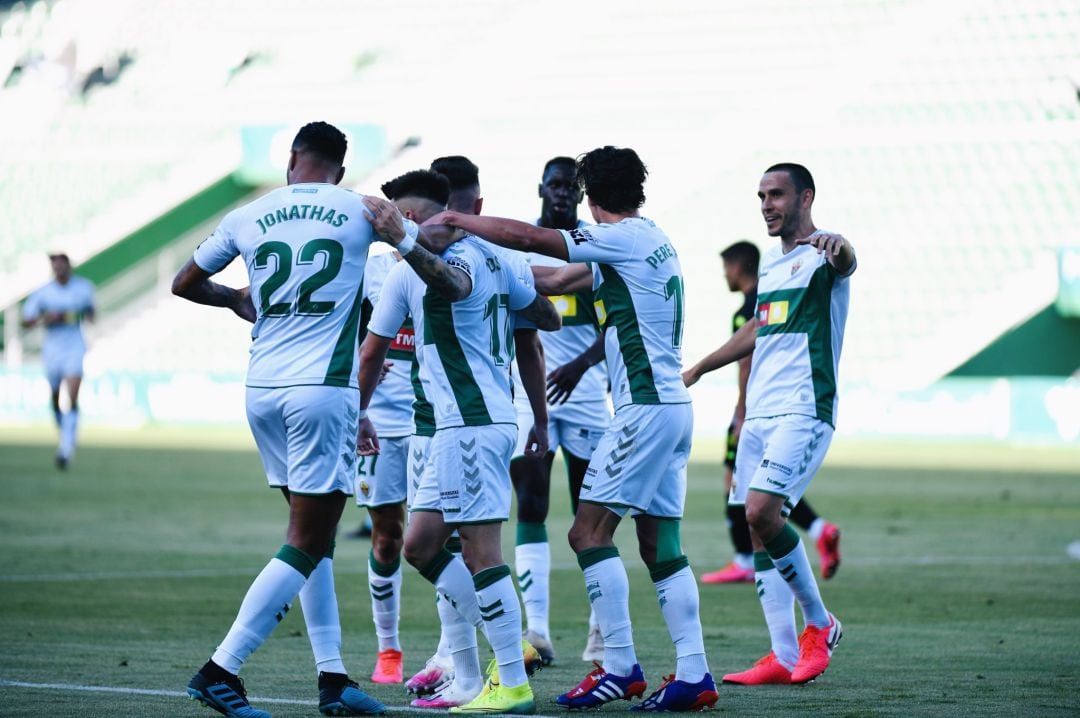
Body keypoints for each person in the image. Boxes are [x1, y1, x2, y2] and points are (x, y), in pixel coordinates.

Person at [423, 146, 719, 712]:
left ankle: (618, 666)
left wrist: (460, 221)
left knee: (586, 534)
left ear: (589, 196)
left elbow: (535, 241)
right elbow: (555, 275)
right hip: (671, 408)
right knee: (661, 544)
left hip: (644, 409)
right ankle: (694, 673)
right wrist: (490, 269)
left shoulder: (621, 238)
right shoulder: (648, 238)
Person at [172, 121, 387, 718]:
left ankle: (333, 680)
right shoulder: (361, 209)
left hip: (262, 388)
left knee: (308, 537)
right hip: (321, 389)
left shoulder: (250, 213)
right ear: (339, 169)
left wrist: (238, 298)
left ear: (292, 159)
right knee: (309, 537)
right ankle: (221, 669)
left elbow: (184, 282)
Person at [360, 177, 561, 714]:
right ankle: (490, 664)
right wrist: (511, 297)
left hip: (472, 421)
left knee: (480, 551)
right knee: (422, 546)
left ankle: (513, 682)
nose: (387, 226)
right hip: (461, 424)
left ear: (410, 216)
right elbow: (548, 316)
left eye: (396, 218)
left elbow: (451, 286)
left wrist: (405, 243)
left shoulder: (420, 265)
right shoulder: (498, 259)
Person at [682, 163, 855, 686]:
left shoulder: (824, 256)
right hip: (758, 414)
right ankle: (781, 653)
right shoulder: (774, 272)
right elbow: (758, 327)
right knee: (756, 530)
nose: (766, 205)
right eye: (761, 196)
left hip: (804, 408)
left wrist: (841, 244)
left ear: (806, 197)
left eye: (776, 195)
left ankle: (820, 625)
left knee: (763, 510)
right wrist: (700, 367)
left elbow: (847, 261)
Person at [508, 156, 610, 665]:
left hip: (588, 394)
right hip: (531, 394)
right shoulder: (520, 241)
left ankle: (599, 630)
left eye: (572, 187)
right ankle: (539, 632)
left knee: (591, 511)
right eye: (555, 185)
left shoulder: (596, 244)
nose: (563, 194)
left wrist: (580, 365)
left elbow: (615, 324)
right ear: (542, 188)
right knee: (530, 505)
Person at [700, 241, 842, 585]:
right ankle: (818, 529)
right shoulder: (769, 295)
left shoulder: (748, 308)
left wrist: (740, 411)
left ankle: (745, 558)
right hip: (773, 407)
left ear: (738, 267)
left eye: (726, 268)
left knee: (740, 482)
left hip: (759, 409)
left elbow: (747, 361)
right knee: (766, 484)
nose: (724, 275)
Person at [353, 241, 416, 685]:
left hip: (439, 420)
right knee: (387, 536)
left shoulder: (450, 266)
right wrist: (364, 355)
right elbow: (344, 325)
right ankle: (388, 650)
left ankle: (450, 652)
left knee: (450, 540)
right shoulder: (369, 270)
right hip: (385, 422)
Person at [21, 253, 95, 469]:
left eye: (62, 265)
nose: (59, 269)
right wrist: (46, 318)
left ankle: (66, 447)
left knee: (72, 396)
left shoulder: (83, 288)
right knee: (55, 397)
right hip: (52, 349)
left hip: (74, 346)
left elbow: (91, 314)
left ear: (69, 266)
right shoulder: (43, 292)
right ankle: (65, 429)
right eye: (56, 266)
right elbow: (26, 320)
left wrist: (78, 314)